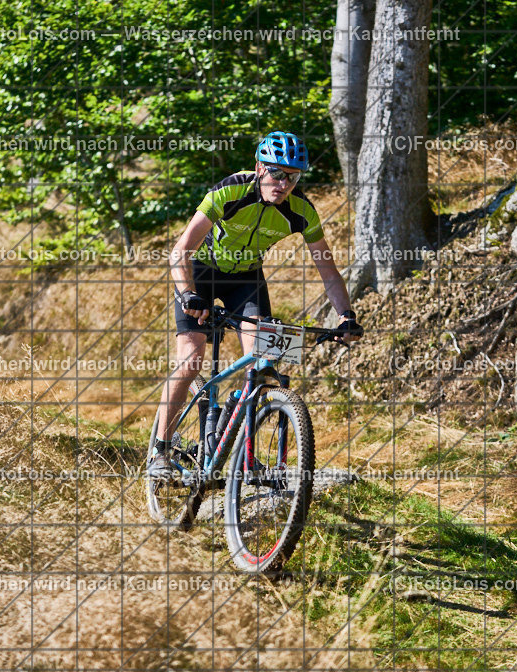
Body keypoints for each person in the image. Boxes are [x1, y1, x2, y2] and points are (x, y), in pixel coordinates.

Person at [148, 131, 363, 479]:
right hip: (200, 273)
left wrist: (345, 316)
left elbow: (328, 271)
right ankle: (161, 451)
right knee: (191, 360)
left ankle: (238, 445)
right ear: (260, 168)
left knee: (263, 363)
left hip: (246, 280)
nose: (284, 184)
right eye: (277, 173)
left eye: (292, 177)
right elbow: (181, 250)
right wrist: (188, 294)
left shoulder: (302, 211)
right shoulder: (230, 191)